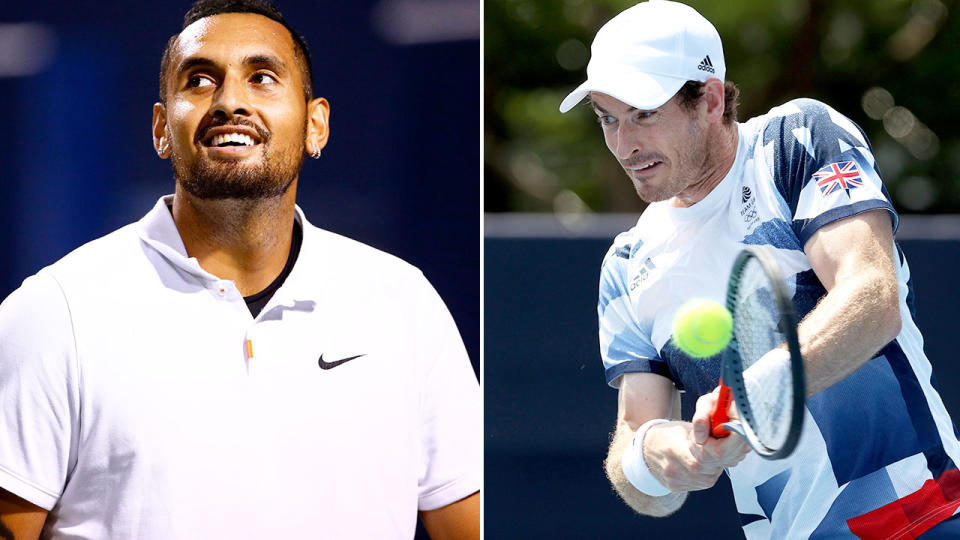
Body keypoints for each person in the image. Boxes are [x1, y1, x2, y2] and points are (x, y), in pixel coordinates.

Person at [0, 1, 481, 538]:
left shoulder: (403, 303)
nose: (231, 101)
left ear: (315, 125)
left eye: (263, 78)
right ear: (161, 128)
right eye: (201, 80)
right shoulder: (53, 311)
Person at [559, 1, 960, 538]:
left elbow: (872, 297)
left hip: (924, 519)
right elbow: (633, 445)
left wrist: (754, 397)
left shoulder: (794, 140)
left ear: (710, 98)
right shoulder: (626, 264)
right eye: (608, 118)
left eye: (644, 115)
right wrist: (658, 456)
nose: (624, 144)